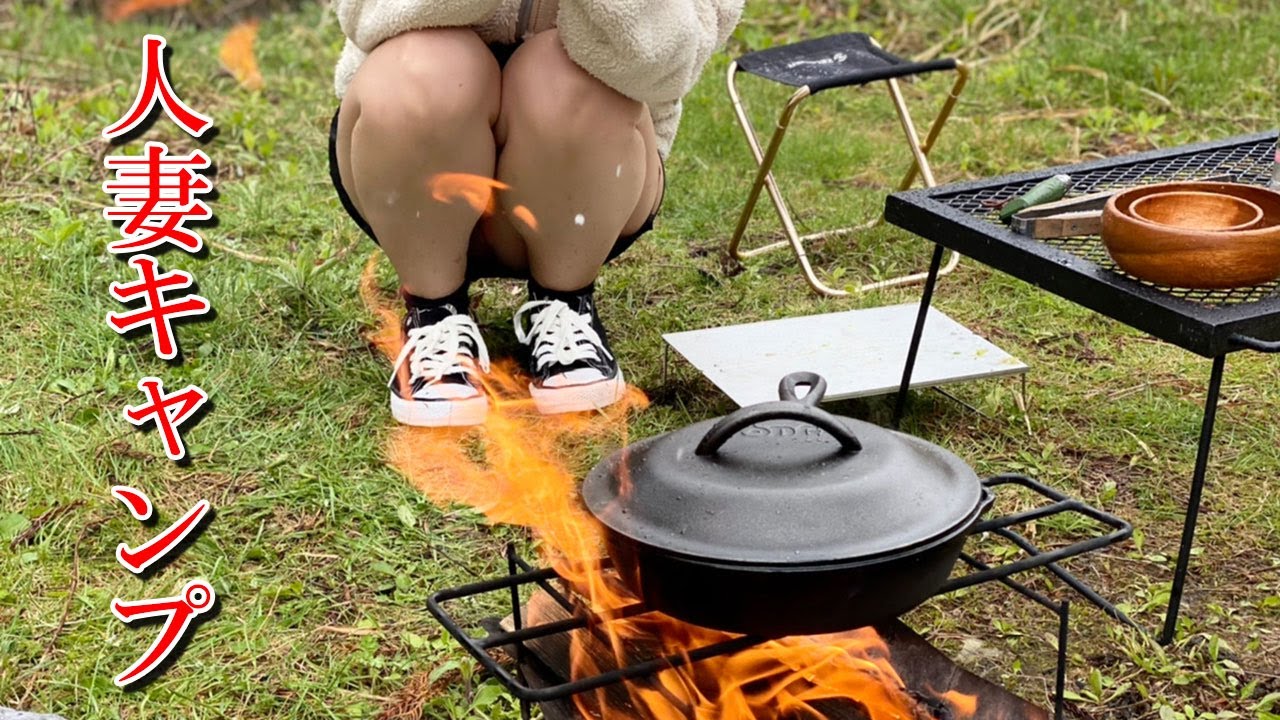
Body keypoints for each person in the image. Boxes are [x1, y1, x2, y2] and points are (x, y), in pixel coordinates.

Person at [329, 0, 744, 426]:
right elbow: (367, 14)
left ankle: (566, 305)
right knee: (424, 66)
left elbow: (670, 63)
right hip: (410, 181)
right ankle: (433, 314)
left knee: (565, 74)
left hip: (593, 188)